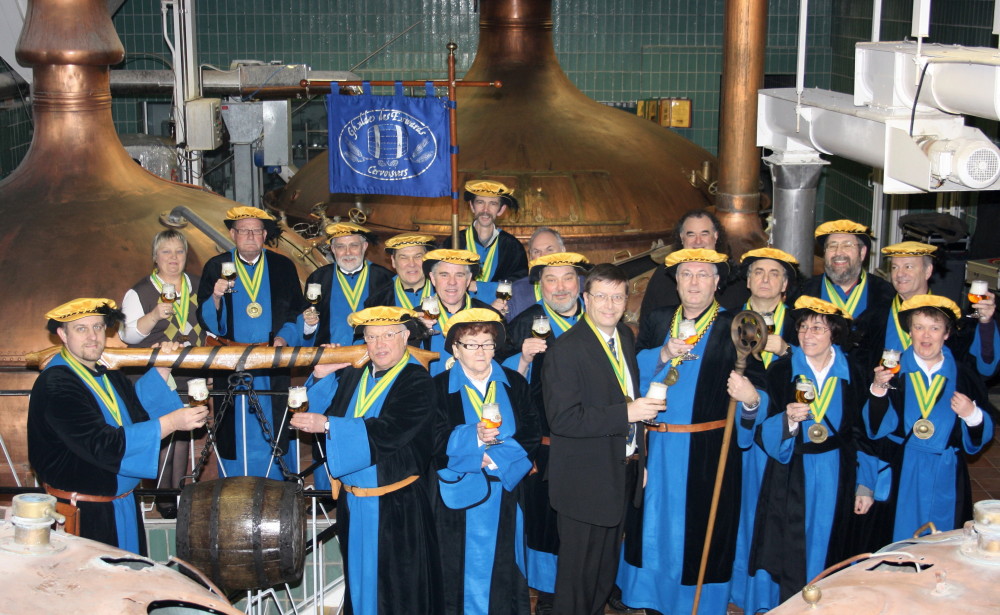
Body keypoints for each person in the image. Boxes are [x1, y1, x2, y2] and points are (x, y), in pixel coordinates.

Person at [617, 248, 763, 615]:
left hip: (708, 448)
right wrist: (662, 354)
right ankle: (650, 601)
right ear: (676, 281)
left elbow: (760, 383)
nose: (694, 282)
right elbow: (629, 373)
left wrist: (751, 399)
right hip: (656, 445)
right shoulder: (658, 319)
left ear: (717, 282)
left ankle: (699, 605)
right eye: (686, 274)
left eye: (703, 275)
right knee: (653, 529)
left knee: (700, 533)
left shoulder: (737, 324)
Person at [291, 306, 441, 615]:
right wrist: (322, 375)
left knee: (397, 590)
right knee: (358, 583)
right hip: (353, 502)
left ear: (406, 337)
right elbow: (316, 413)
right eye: (371, 337)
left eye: (388, 335)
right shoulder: (355, 374)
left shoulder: (417, 380)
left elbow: (389, 431)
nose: (379, 344)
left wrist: (329, 426)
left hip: (397, 505)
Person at [28, 298, 207, 555]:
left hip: (123, 506)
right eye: (81, 329)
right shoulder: (56, 383)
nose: (92, 337)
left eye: (98, 327)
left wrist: (162, 367)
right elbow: (102, 444)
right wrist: (171, 423)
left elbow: (138, 415)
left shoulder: (109, 375)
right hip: (85, 515)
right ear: (63, 335)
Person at [543, 263, 663, 615]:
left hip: (619, 471)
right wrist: (628, 413)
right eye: (601, 296)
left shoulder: (624, 336)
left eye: (618, 297)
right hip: (583, 480)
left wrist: (638, 457)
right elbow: (563, 419)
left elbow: (628, 393)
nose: (610, 305)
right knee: (577, 580)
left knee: (603, 574)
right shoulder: (566, 349)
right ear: (585, 298)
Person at [746, 296, 873, 607]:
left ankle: (828, 606)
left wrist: (866, 484)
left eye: (817, 328)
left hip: (838, 471)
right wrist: (787, 420)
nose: (807, 335)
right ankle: (790, 607)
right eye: (803, 328)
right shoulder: (781, 371)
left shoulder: (854, 371)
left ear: (834, 333)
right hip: (792, 471)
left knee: (833, 543)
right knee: (789, 546)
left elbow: (864, 431)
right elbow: (762, 430)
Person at [432, 308, 541, 615]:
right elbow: (432, 439)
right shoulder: (438, 387)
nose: (480, 351)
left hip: (507, 492)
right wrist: (474, 441)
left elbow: (532, 432)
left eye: (487, 343)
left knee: (506, 567)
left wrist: (494, 458)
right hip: (459, 497)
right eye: (471, 344)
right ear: (455, 349)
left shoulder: (514, 382)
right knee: (457, 571)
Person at [501, 251, 591, 614]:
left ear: (580, 283)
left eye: (567, 278)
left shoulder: (597, 318)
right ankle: (550, 591)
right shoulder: (525, 323)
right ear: (540, 287)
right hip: (547, 444)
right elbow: (501, 382)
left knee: (592, 514)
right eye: (550, 280)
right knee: (547, 520)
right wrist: (521, 359)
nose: (560, 287)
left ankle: (595, 581)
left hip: (594, 442)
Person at [868, 295, 996, 542]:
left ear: (946, 334)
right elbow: (874, 430)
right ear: (910, 333)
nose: (926, 336)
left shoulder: (963, 375)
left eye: (934, 328)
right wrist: (877, 391)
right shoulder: (890, 373)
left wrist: (972, 415)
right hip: (902, 469)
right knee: (897, 544)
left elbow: (980, 437)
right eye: (919, 327)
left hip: (945, 471)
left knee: (942, 542)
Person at [196, 206, 305, 478]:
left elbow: (296, 312)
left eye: (256, 231)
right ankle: (234, 486)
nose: (250, 236)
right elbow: (208, 322)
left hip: (271, 362)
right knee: (233, 429)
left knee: (275, 422)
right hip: (231, 363)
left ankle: (278, 484)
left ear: (265, 235)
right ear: (232, 234)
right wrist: (216, 297)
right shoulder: (216, 267)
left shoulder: (282, 266)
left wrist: (284, 337)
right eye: (243, 230)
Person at [729, 247, 797, 612]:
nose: (765, 279)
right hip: (739, 436)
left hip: (785, 437)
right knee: (739, 515)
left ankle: (769, 597)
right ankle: (735, 590)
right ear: (748, 280)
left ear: (785, 284)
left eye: (774, 273)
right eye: (758, 272)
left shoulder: (802, 322)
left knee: (776, 518)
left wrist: (787, 350)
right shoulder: (727, 320)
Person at [120, 229, 205, 519]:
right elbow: (128, 335)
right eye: (166, 252)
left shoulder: (198, 285)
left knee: (182, 436)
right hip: (153, 376)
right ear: (155, 257)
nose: (173, 258)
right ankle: (162, 496)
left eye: (179, 251)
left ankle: (177, 492)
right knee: (160, 431)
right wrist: (155, 315)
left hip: (189, 374)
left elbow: (212, 324)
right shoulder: (140, 291)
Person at [788, 219, 895, 356]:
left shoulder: (886, 294)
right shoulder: (803, 292)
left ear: (862, 253)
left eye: (847, 245)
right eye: (832, 246)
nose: (838, 252)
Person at [287, 222, 393, 347]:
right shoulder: (319, 278)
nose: (347, 252)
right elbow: (305, 317)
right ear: (333, 249)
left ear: (364, 247)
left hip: (372, 353)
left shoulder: (384, 278)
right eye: (340, 247)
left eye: (354, 245)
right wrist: (309, 324)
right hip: (330, 353)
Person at [640, 209, 748, 321]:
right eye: (691, 234)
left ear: (716, 236)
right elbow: (647, 321)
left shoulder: (734, 276)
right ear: (682, 238)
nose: (698, 241)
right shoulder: (664, 274)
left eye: (704, 234)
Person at [444, 180, 529, 305]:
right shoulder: (452, 243)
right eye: (480, 202)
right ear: (472, 206)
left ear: (501, 209)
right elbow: (441, 282)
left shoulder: (512, 246)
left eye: (493, 204)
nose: (485, 209)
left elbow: (520, 286)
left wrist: (477, 286)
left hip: (499, 312)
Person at [421, 248, 503, 375]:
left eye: (459, 275)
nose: (452, 282)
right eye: (444, 275)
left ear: (468, 279)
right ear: (432, 278)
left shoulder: (490, 317)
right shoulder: (416, 318)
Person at [506, 227, 569, 320]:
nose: (543, 256)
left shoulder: (581, 286)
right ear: (530, 257)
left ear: (563, 251)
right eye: (536, 252)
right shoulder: (517, 291)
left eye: (549, 250)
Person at [366, 232, 437, 310]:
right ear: (393, 261)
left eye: (418, 256)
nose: (412, 264)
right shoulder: (377, 302)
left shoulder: (443, 292)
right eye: (404, 258)